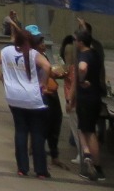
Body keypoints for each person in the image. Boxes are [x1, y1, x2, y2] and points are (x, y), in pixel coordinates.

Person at [0, 26, 51, 178]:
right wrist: (43, 82)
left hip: (13, 96)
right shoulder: (33, 54)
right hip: (32, 97)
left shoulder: (6, 51)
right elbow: (47, 66)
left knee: (21, 131)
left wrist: (3, 78)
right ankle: (41, 170)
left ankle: (22, 168)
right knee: (37, 132)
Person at [69, 27, 107, 181]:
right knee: (88, 129)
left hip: (85, 98)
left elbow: (82, 67)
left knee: (87, 131)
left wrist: (82, 79)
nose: (74, 42)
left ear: (80, 42)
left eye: (76, 40)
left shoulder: (84, 55)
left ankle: (90, 159)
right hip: (96, 97)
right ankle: (92, 160)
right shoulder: (96, 54)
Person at [34, 31, 64, 164]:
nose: (43, 44)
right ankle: (41, 154)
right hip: (43, 93)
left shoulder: (43, 55)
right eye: (40, 42)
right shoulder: (34, 57)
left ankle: (53, 154)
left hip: (52, 92)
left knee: (55, 121)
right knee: (45, 124)